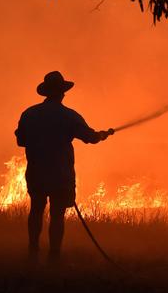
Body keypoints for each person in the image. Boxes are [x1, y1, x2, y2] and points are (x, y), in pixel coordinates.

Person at [15, 71, 114, 262]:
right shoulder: (69, 116)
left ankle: (33, 250)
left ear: (46, 93)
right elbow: (90, 138)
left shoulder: (29, 114)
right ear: (61, 93)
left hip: (36, 171)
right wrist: (102, 134)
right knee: (57, 214)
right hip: (60, 174)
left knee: (36, 209)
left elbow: (21, 140)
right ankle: (54, 255)